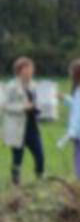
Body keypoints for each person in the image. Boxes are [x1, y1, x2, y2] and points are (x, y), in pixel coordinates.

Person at [3, 57, 44, 185]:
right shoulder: (11, 86)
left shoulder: (34, 85)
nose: (31, 71)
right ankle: (16, 183)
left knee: (40, 155)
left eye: (32, 68)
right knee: (17, 158)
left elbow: (37, 102)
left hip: (32, 126)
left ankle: (39, 178)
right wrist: (22, 107)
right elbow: (4, 106)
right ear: (20, 70)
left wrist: (36, 108)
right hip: (17, 127)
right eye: (28, 68)